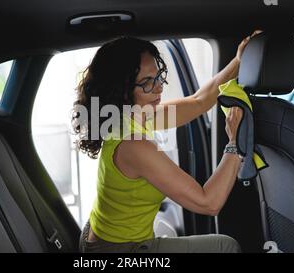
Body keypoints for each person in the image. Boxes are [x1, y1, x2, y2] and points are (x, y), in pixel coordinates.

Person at [72, 31, 260, 253]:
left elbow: (199, 101)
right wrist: (234, 142)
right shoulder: (133, 145)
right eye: (147, 83)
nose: (159, 87)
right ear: (122, 91)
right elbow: (209, 202)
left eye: (158, 76)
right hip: (117, 251)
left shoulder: (134, 116)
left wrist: (238, 61)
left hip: (100, 236)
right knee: (226, 247)